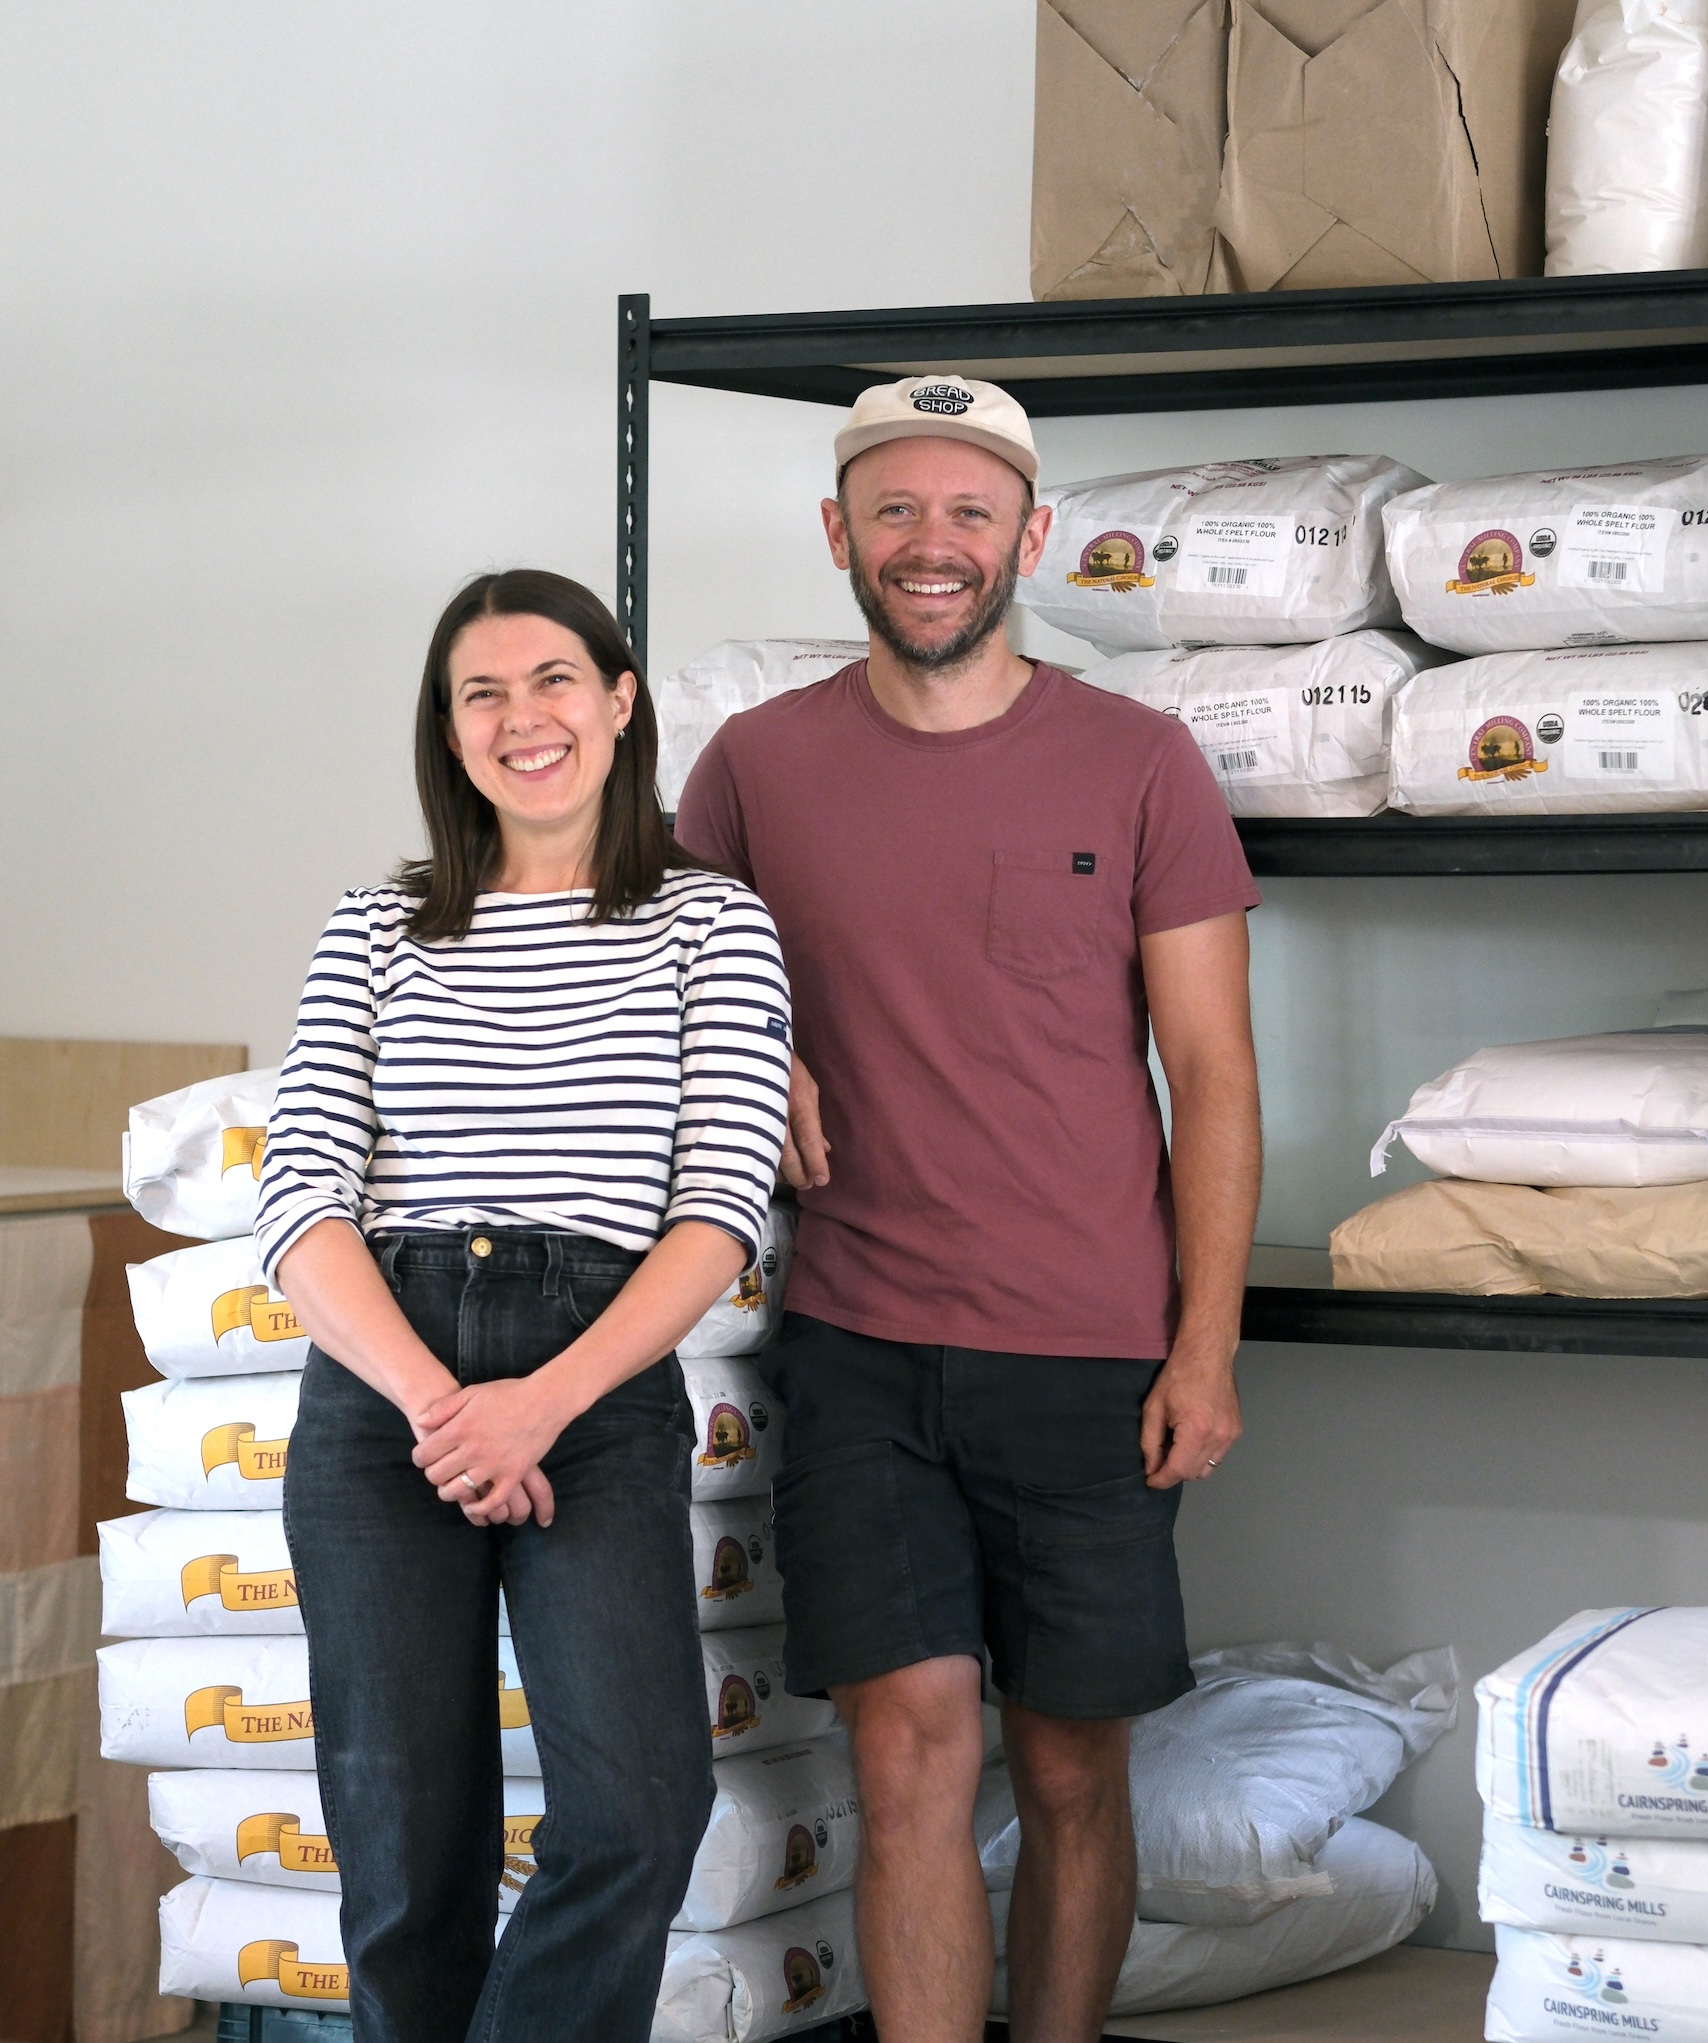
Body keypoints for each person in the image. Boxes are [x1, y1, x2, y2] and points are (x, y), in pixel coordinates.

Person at [676, 377, 1262, 2043]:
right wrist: (752, 1053)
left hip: (1089, 1350)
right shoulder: (754, 766)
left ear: (1029, 537)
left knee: (1075, 1760)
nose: (932, 546)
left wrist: (1203, 1347)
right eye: (896, 512)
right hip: (857, 1341)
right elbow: (674, 983)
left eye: (968, 514)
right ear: (840, 534)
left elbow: (1212, 1073)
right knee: (908, 1747)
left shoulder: (1139, 763)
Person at [256, 569, 791, 2043]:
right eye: (480, 692)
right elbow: (301, 1196)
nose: (522, 718)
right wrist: (444, 1408)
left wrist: (537, 1402)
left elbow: (717, 1208)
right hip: (385, 1387)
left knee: (637, 1807)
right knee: (404, 1849)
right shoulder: (376, 925)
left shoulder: (711, 925)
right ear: (448, 730)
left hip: (597, 1377)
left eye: (554, 679)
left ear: (621, 703)